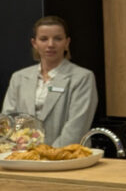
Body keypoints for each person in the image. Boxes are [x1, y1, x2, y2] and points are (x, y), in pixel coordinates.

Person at [2, 15, 98, 147]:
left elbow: (76, 128)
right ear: (34, 43)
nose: (51, 44)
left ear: (67, 43)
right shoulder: (19, 77)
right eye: (44, 39)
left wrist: (49, 155)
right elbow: (8, 121)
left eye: (57, 39)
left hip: (66, 158)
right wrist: (21, 152)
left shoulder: (82, 77)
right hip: (24, 157)